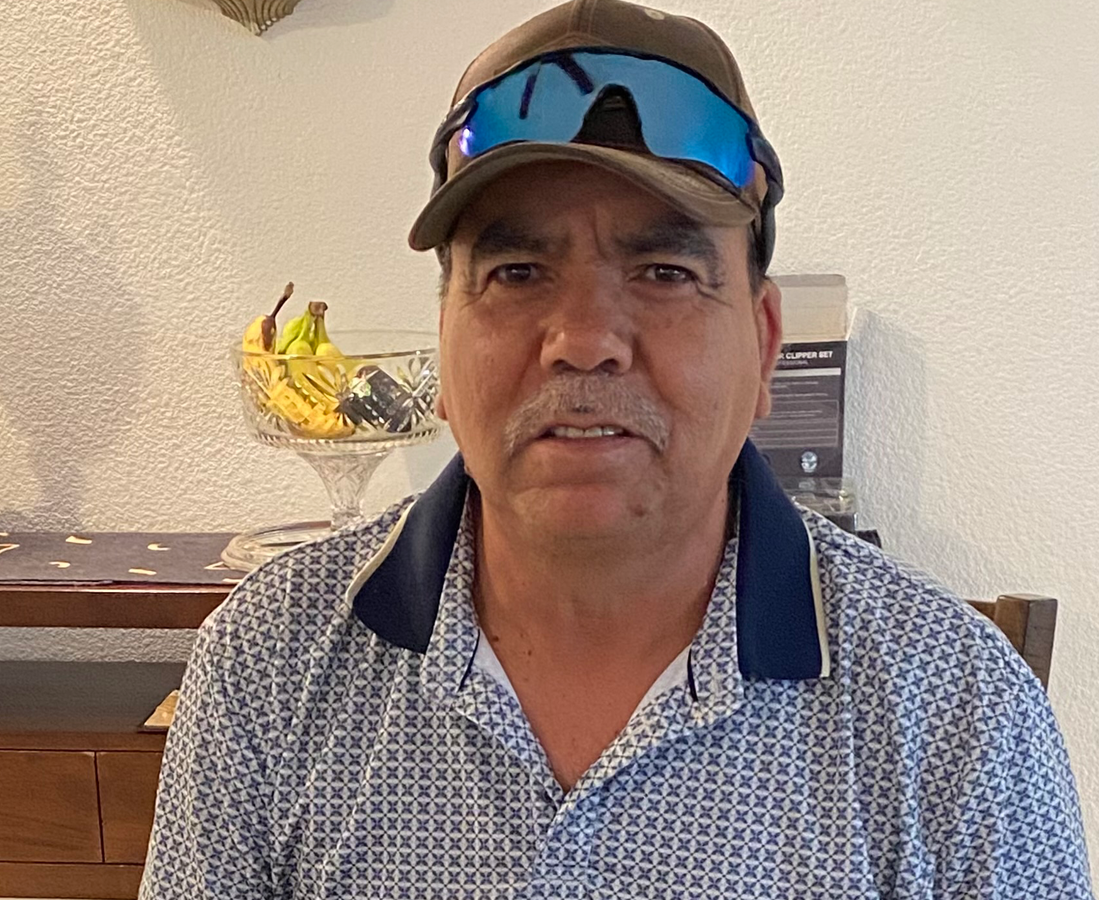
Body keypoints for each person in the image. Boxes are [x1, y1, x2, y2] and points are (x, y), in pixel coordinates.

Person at [139, 1, 1093, 896]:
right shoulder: (267, 667)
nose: (584, 338)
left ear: (764, 345)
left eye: (665, 272)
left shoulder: (959, 712)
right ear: (444, 342)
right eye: (517, 271)